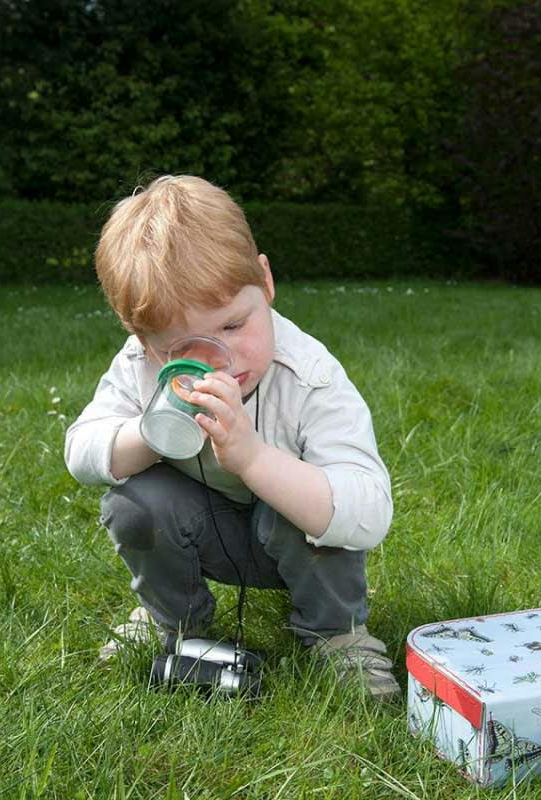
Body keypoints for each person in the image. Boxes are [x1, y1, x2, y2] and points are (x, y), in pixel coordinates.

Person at [64, 175, 399, 699]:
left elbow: (370, 512)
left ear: (264, 281)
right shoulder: (140, 366)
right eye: (183, 347)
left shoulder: (308, 375)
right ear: (142, 341)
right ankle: (173, 619)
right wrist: (152, 433)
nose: (224, 357)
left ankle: (336, 634)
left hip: (297, 544)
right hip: (203, 531)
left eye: (235, 325)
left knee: (297, 494)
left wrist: (254, 459)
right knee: (135, 501)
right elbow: (81, 452)